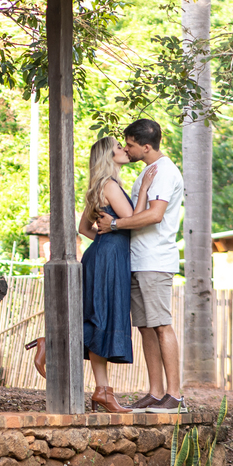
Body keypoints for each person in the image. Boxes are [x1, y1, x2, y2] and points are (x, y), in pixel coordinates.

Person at [94, 119, 186, 413]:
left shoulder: (164, 171)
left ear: (146, 147)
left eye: (130, 145)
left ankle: (174, 395)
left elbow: (154, 215)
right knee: (146, 327)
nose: (127, 149)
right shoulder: (146, 172)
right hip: (138, 259)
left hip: (155, 260)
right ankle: (156, 393)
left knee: (161, 325)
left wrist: (115, 225)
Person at [77, 136, 152, 413]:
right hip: (109, 259)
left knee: (100, 317)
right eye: (118, 147)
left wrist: (104, 237)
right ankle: (49, 344)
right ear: (108, 157)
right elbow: (132, 220)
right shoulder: (109, 185)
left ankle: (103, 391)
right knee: (102, 317)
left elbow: (84, 229)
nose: (123, 150)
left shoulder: (100, 185)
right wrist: (144, 190)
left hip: (103, 254)